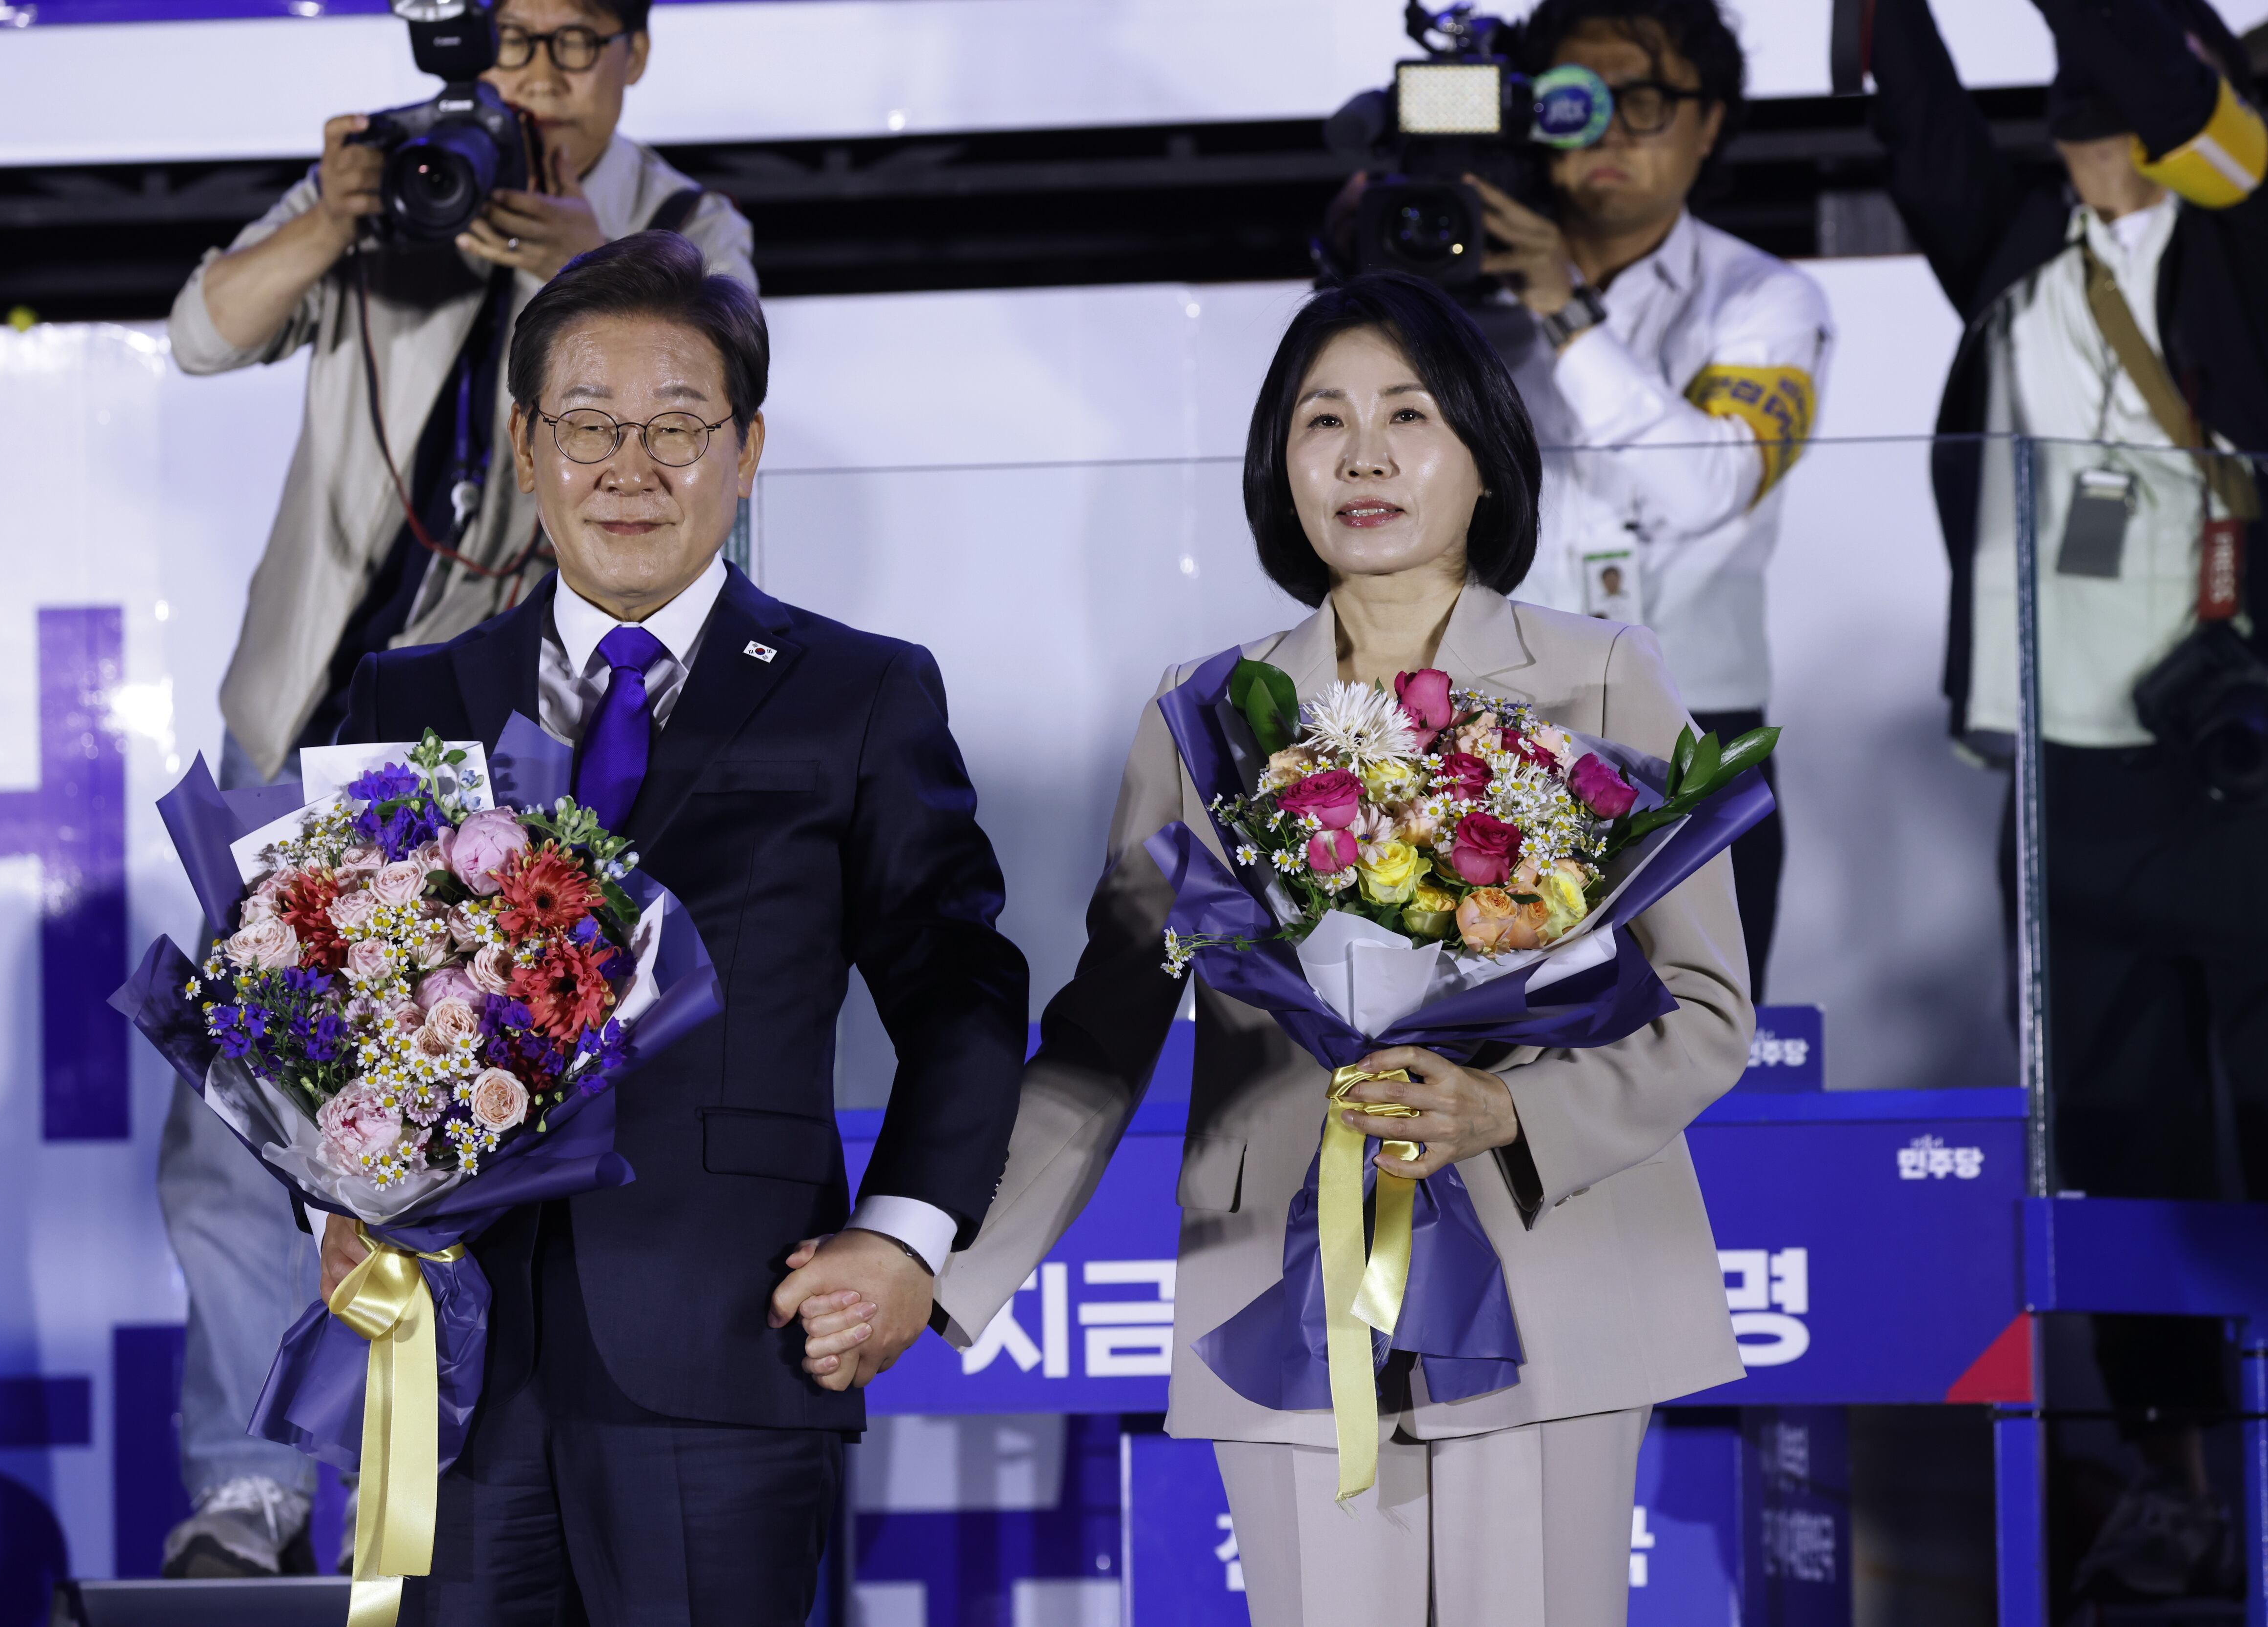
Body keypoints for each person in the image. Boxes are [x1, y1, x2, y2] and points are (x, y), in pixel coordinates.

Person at [910, 271, 1751, 1626]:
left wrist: (1509, 1112)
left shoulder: (1603, 677)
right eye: (1323, 421)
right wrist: (946, 1266)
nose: (1363, 456)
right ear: (1279, 466)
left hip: (1554, 1269)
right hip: (1278, 1277)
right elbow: (1108, 1027)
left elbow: (1706, 1009)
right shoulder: (1202, 713)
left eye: (1408, 415)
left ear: (1486, 457)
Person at [313, 228, 1027, 1622]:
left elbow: (961, 989)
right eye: (589, 425)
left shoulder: (857, 694)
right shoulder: (409, 697)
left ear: (745, 453)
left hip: (727, 1331)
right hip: (449, 1341)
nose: (629, 468)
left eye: (678, 427)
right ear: (526, 449)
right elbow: (332, 986)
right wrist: (334, 1198)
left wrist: (905, 1237)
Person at [155, 0, 752, 1576]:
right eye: (507, 46)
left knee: (476, 1119)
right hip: (303, 714)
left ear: (636, 54)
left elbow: (717, 416)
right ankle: (251, 1493)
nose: (533, 85)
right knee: (234, 1118)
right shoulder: (391, 176)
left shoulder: (686, 225)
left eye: (571, 47)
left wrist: (587, 273)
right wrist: (335, 218)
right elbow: (202, 330)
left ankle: (454, 1474)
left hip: (509, 754)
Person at [1866, 0, 2268, 1603]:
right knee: (2115, 1132)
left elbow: (2166, 81)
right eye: (2071, 118)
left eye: (2121, 112)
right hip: (2065, 771)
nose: (2091, 142)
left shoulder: (2245, 236)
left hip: (2239, 761)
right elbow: (1923, 134)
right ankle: (2178, 1479)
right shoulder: (2024, 251)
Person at [1478, 0, 1832, 1002]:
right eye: (1574, 101)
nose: (1605, 134)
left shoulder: (1764, 298)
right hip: (1493, 732)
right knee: (1486, 1052)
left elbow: (1708, 488)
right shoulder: (1462, 293)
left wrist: (1565, 312)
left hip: (1692, 730)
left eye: (1642, 102)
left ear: (1709, 120)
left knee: (1696, 1044)